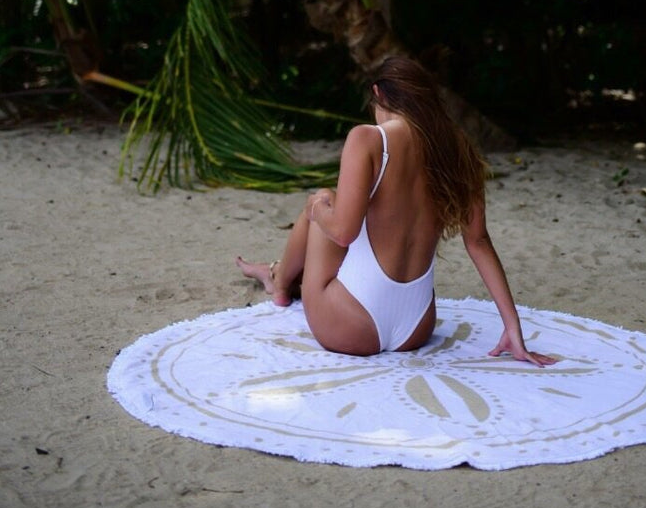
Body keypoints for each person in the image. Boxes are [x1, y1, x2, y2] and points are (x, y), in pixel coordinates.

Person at [236, 56, 556, 365]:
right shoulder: (457, 148)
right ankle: (278, 274)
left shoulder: (368, 139)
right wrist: (513, 328)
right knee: (340, 215)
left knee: (322, 200)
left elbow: (344, 231)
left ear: (378, 94)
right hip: (415, 327)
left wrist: (316, 209)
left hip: (350, 326)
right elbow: (478, 242)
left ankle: (279, 285)